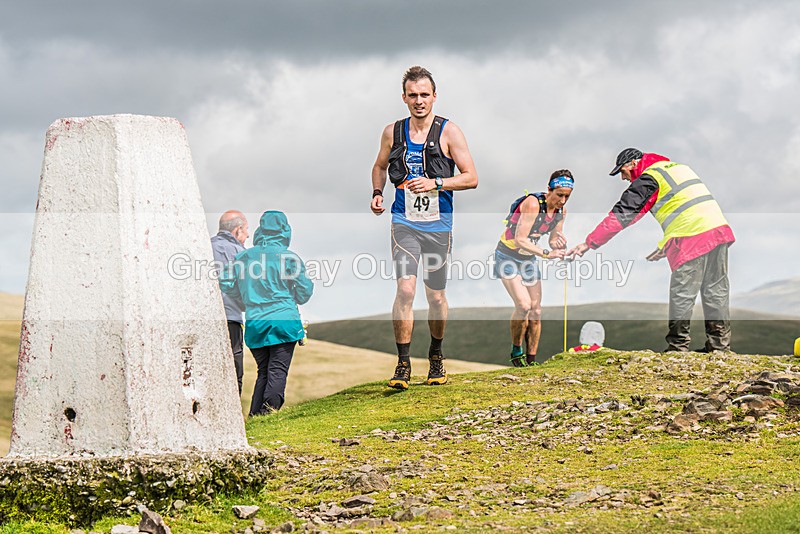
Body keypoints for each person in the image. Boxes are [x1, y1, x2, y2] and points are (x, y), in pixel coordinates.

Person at [370, 65, 478, 390]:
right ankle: (402, 363)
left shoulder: (449, 132)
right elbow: (378, 166)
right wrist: (377, 193)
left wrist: (436, 182)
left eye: (425, 95)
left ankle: (435, 355)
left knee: (436, 296)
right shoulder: (393, 132)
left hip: (438, 226)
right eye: (413, 95)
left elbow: (471, 177)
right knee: (404, 289)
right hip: (404, 222)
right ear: (404, 97)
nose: (419, 101)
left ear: (434, 96)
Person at [567, 148, 735, 352]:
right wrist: (665, 245)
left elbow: (623, 214)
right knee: (715, 290)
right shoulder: (677, 168)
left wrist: (589, 243)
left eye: (622, 171)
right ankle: (719, 347)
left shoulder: (649, 178)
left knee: (682, 293)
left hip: (691, 235)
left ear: (633, 164)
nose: (623, 177)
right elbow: (687, 207)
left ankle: (678, 347)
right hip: (717, 230)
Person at [220, 211, 314, 415]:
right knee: (278, 371)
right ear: (284, 231)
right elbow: (305, 292)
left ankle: (255, 417)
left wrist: (244, 298)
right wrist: (291, 296)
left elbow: (226, 283)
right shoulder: (289, 258)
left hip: (255, 323)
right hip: (283, 321)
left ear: (260, 230)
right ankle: (268, 413)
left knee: (264, 372)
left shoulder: (242, 257)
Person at [494, 170, 572, 367]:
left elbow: (554, 237)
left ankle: (532, 360)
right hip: (508, 255)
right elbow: (520, 240)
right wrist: (546, 253)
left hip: (529, 259)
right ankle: (516, 350)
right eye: (559, 195)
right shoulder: (533, 203)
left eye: (567, 196)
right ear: (549, 190)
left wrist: (558, 243)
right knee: (523, 305)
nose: (563, 200)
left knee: (536, 311)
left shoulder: (561, 212)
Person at [211, 210, 249, 395]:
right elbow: (247, 285)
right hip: (231, 317)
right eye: (247, 230)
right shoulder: (240, 253)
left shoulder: (204, 246)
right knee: (234, 370)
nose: (248, 235)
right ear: (238, 229)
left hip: (206, 319)